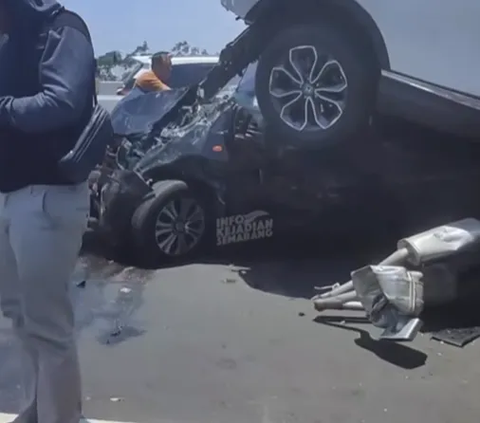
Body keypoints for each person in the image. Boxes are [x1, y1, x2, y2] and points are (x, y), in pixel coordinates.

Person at [0, 1, 96, 423]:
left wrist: (2, 108)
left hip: (46, 195)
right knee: (19, 317)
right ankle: (40, 410)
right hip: (6, 196)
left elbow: (63, 100)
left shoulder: (60, 27)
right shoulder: (7, 36)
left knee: (47, 326)